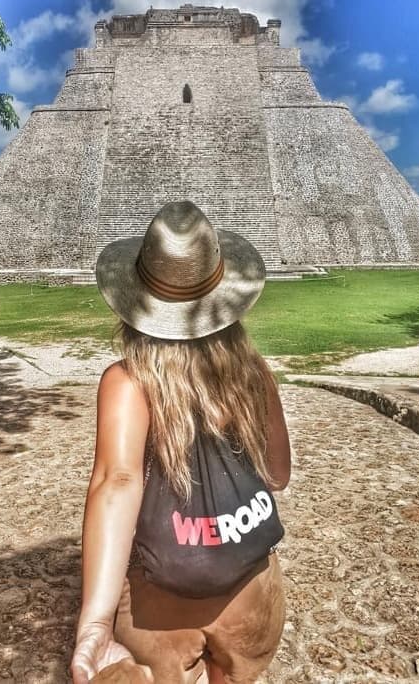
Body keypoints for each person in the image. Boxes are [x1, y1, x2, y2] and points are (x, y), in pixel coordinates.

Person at [71, 201, 291, 684]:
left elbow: (117, 482)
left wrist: (94, 623)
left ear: (137, 299)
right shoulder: (256, 374)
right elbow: (277, 474)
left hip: (161, 606)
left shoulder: (128, 382)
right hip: (250, 592)